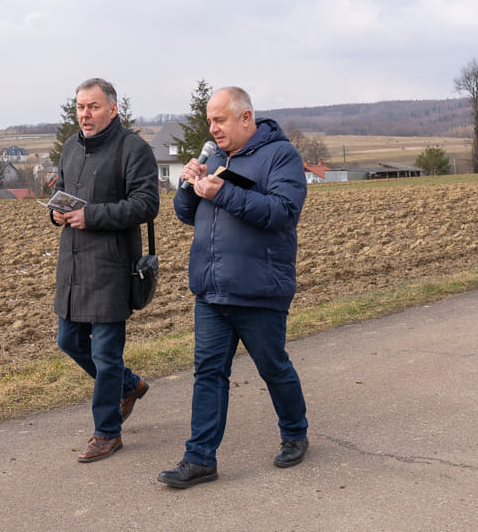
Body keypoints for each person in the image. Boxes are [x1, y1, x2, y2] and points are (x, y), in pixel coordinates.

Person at [159, 86, 308, 488]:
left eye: (219, 119)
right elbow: (186, 215)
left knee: (273, 368)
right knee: (208, 373)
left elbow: (282, 212)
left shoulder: (281, 156)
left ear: (246, 118)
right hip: (211, 289)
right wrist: (189, 185)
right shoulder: (215, 157)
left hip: (259, 289)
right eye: (210, 120)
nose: (212, 128)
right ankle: (200, 459)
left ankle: (295, 432)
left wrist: (223, 191)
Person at [52, 78, 159, 462]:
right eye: (80, 107)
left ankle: (107, 432)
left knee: (106, 354)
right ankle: (129, 386)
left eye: (94, 107)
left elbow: (147, 204)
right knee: (68, 340)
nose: (85, 114)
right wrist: (56, 212)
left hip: (113, 266)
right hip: (74, 265)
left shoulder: (133, 149)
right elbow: (62, 190)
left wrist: (91, 215)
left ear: (112, 109)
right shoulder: (70, 146)